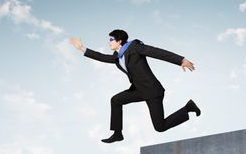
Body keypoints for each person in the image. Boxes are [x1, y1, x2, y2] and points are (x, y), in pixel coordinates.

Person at [69, 29, 201, 143]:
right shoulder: (118, 56)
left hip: (152, 91)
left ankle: (188, 108)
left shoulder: (135, 47)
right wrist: (82, 48)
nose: (109, 42)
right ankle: (117, 134)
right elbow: (103, 57)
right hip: (139, 91)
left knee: (160, 127)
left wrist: (181, 60)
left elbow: (157, 52)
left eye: (111, 39)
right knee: (115, 100)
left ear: (119, 41)